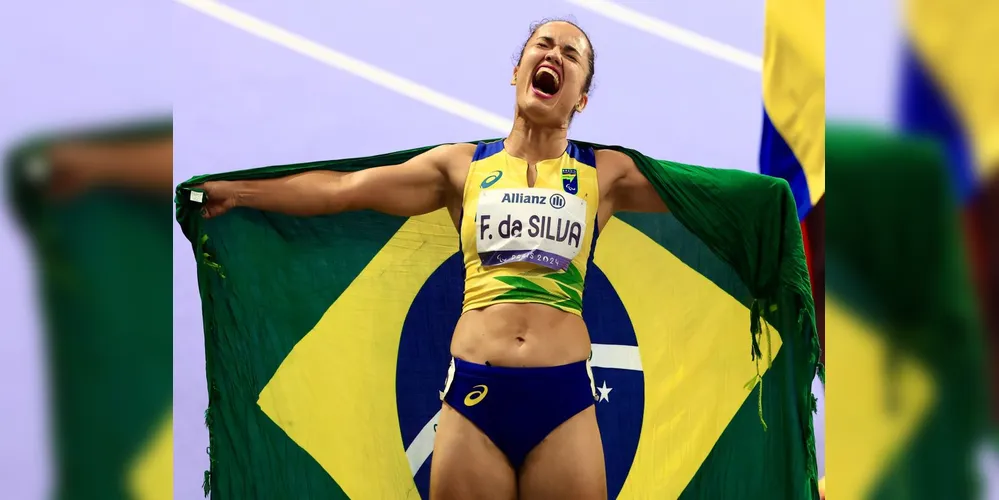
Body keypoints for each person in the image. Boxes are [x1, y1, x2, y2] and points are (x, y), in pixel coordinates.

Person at [198, 18, 668, 500]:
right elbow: (345, 190)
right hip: (475, 396)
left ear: (581, 99)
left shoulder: (606, 174)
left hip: (564, 399)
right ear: (517, 71)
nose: (553, 55)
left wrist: (754, 206)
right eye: (542, 45)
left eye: (571, 55)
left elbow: (710, 201)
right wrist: (239, 192)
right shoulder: (461, 167)